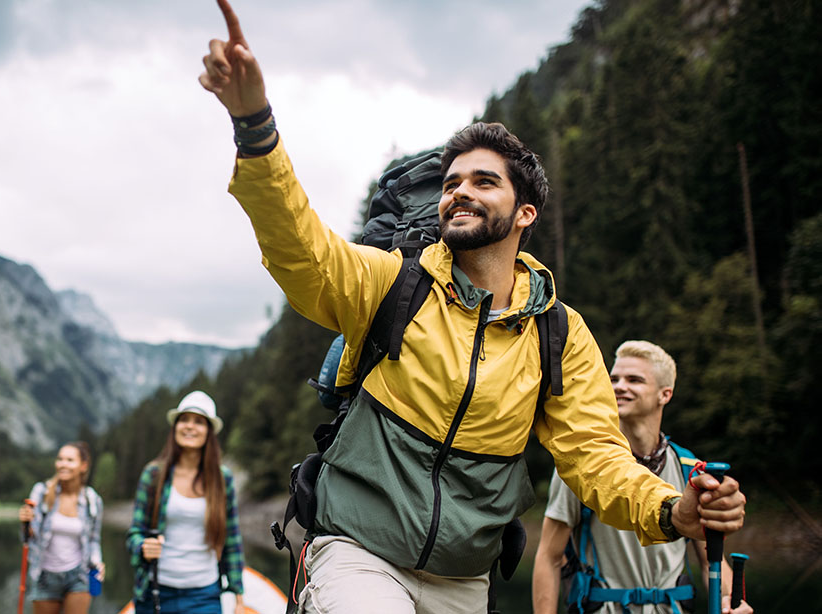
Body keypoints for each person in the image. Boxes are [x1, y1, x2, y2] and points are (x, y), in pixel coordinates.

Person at [197, 2, 746, 613]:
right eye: (452, 182)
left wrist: (673, 510)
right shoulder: (392, 285)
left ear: (525, 213)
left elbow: (596, 459)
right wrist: (254, 124)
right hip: (358, 551)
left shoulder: (558, 335)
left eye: (484, 182)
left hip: (464, 579)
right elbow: (301, 249)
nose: (459, 190)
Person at [532, 341, 753, 614]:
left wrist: (730, 601)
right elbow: (549, 557)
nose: (619, 386)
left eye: (634, 380)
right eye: (613, 379)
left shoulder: (690, 469)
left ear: (665, 394)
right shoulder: (580, 465)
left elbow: (711, 562)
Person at [126, 390, 245, 614]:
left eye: (199, 422)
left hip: (204, 594)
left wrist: (238, 598)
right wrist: (142, 546)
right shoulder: (153, 475)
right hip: (155, 592)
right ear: (175, 428)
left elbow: (232, 539)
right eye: (184, 420)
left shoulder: (222, 479)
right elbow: (134, 533)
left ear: (209, 432)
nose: (190, 426)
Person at [18, 441, 105, 614]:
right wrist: (25, 523)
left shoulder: (92, 500)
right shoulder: (41, 492)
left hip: (78, 576)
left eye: (70, 460)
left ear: (83, 466)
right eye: (60, 459)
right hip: (44, 576)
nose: (63, 464)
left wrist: (97, 561)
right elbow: (27, 538)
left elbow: (94, 539)